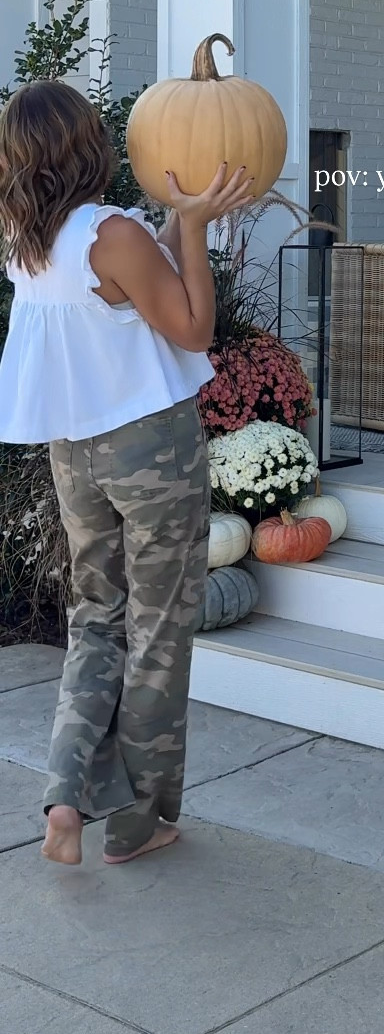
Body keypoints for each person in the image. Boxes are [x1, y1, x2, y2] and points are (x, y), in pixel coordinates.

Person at [0, 79, 253, 866]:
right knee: (159, 632)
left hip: (73, 453)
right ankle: (140, 824)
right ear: (88, 146)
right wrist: (193, 226)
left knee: (96, 620)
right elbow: (193, 328)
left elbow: (133, 291)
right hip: (149, 451)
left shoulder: (26, 240)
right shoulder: (110, 233)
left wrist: (179, 215)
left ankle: (65, 798)